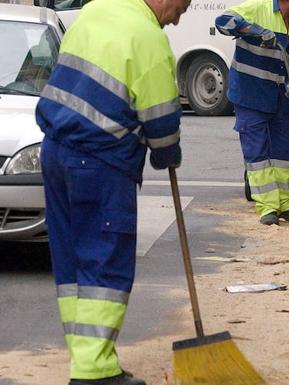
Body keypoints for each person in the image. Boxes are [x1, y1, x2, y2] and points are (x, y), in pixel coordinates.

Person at [35, 0, 190, 382]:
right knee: (105, 260)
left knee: (73, 263)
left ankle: (86, 359)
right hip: (99, 162)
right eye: (181, 8)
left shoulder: (95, 9)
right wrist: (168, 153)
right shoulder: (148, 39)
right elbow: (162, 121)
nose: (177, 18)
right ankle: (94, 372)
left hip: (55, 151)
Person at [216, 0, 289, 226]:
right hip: (251, 95)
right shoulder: (257, 8)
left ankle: (284, 203)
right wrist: (254, 31)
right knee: (257, 152)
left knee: (285, 152)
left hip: (281, 99)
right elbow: (222, 22)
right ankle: (267, 207)